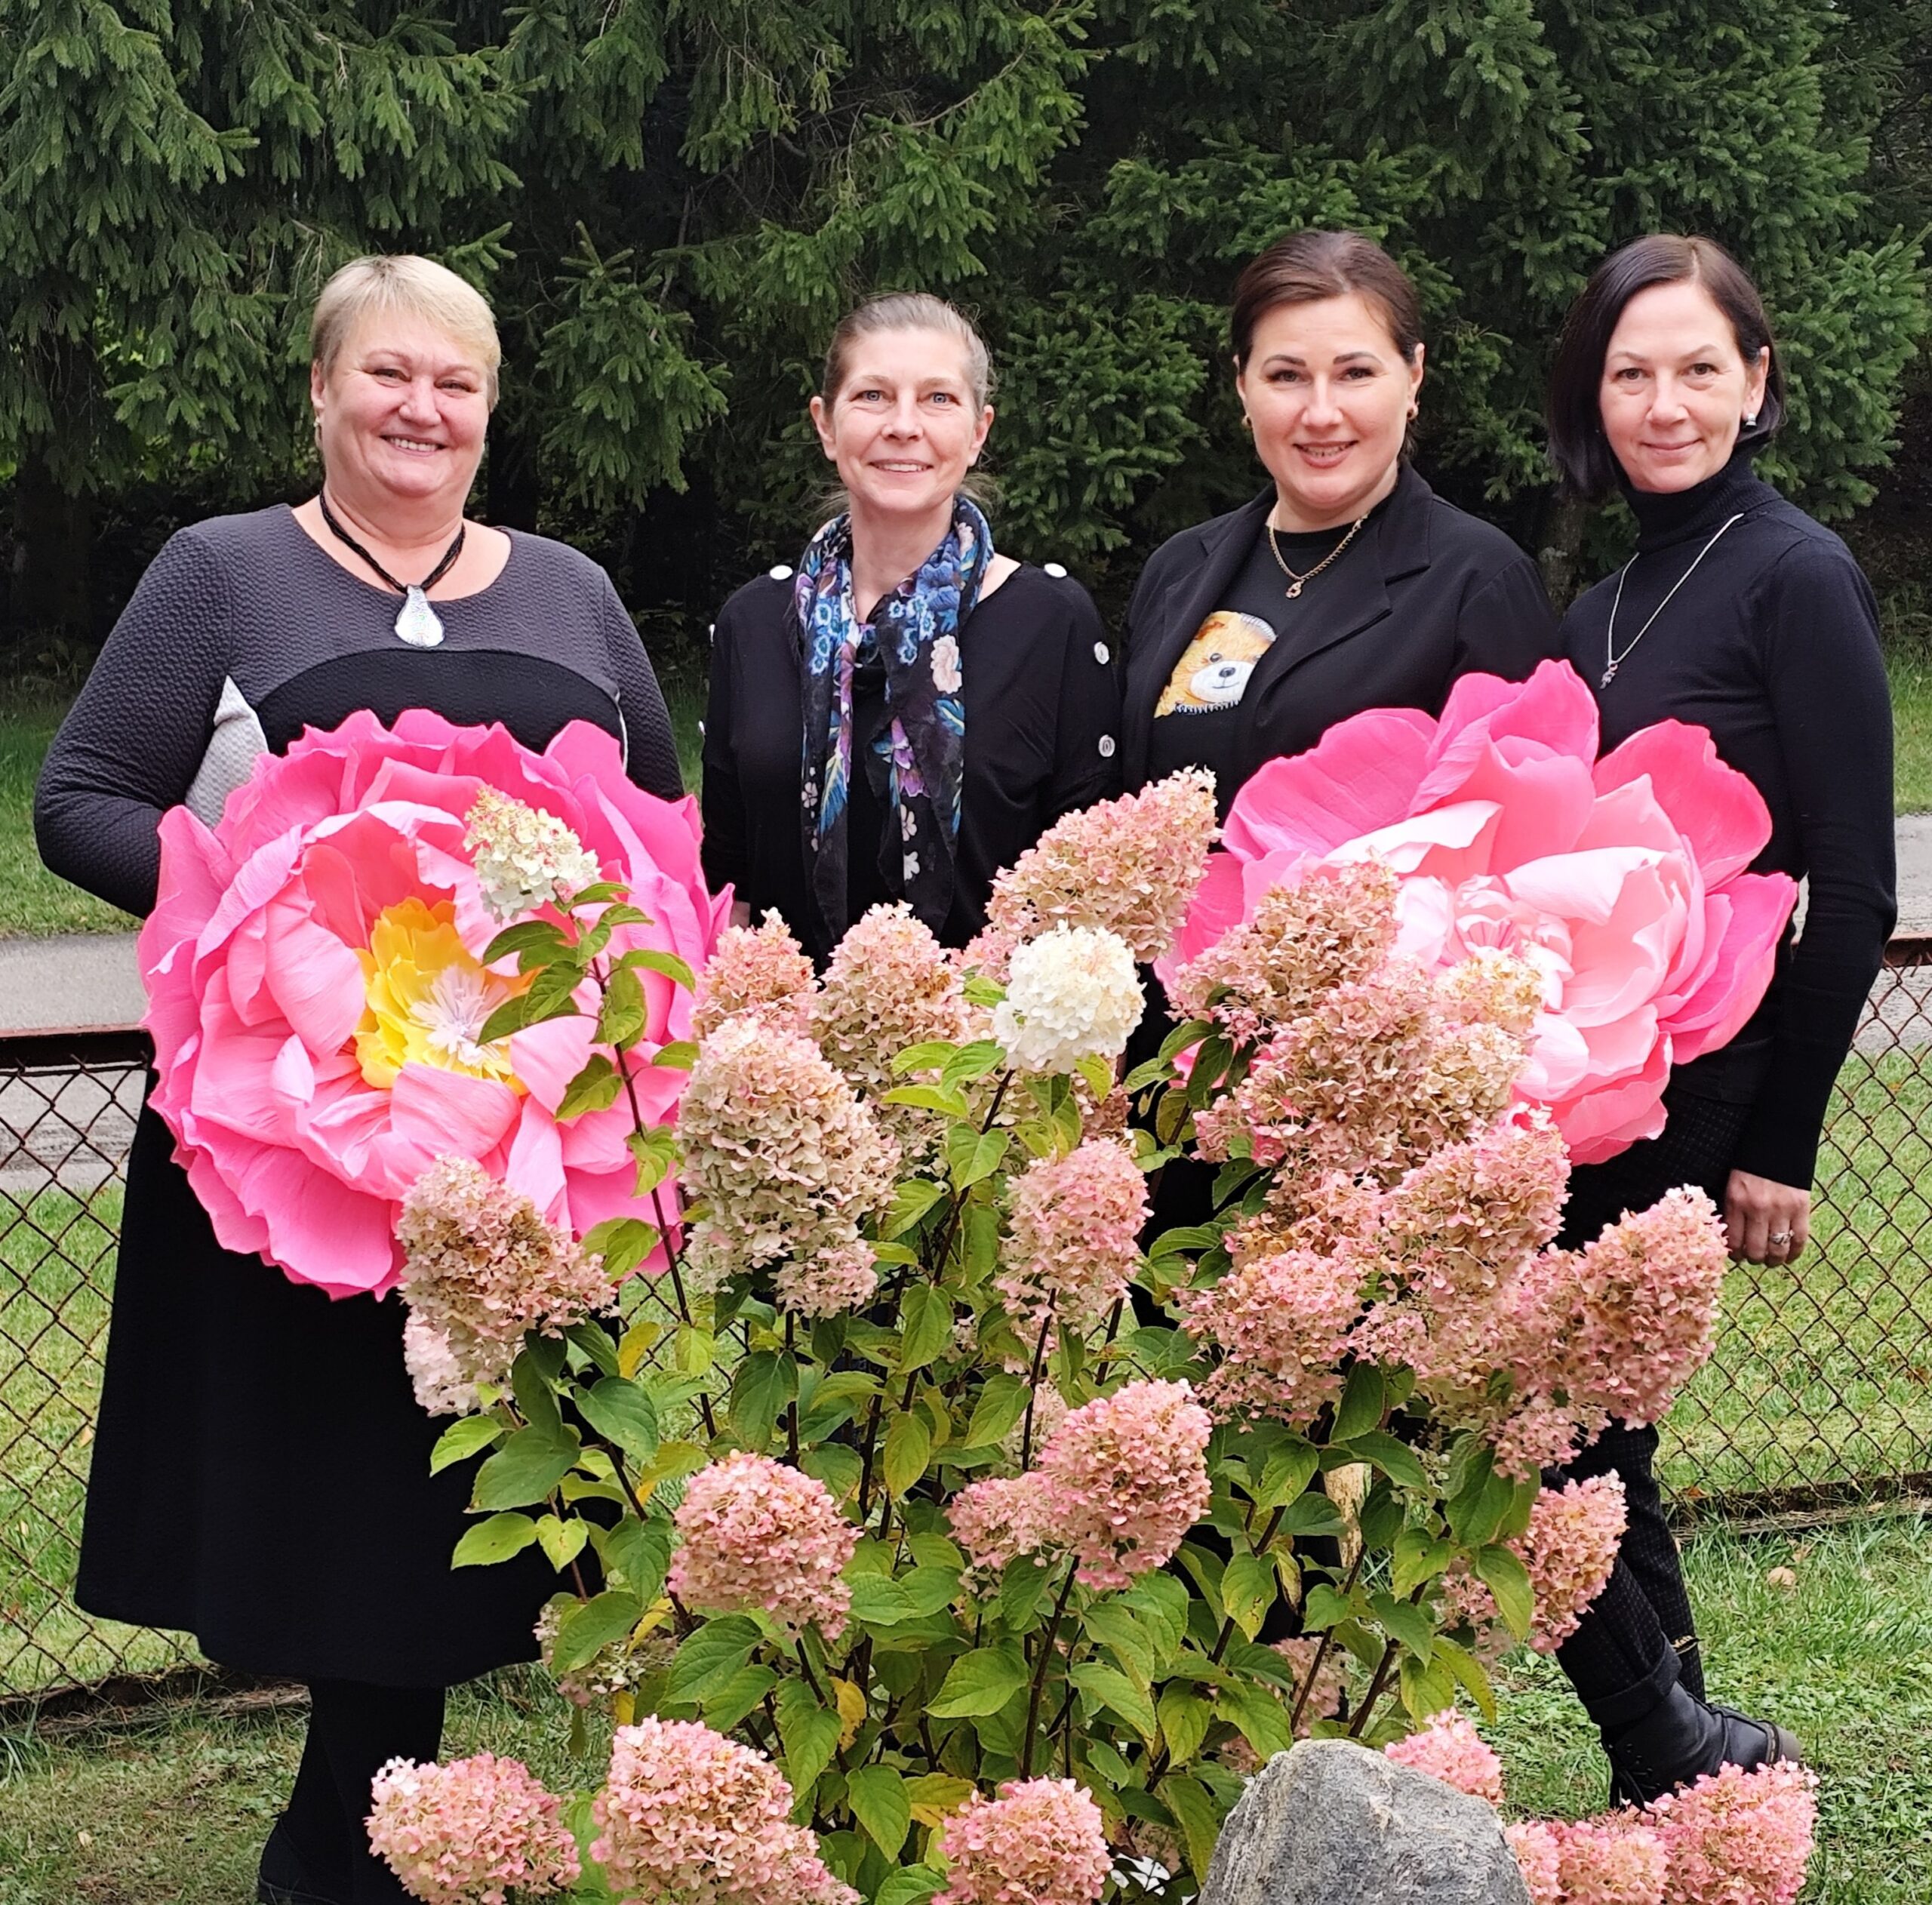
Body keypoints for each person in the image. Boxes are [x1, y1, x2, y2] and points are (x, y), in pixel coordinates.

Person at [36, 256, 684, 1905]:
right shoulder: (221, 574)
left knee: (479, 1487)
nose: (421, 409)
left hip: (515, 1147)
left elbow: (660, 838)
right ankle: (352, 1846)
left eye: (455, 382)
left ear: (489, 408)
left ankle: (372, 1834)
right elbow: (83, 794)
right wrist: (255, 904)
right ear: (320, 390)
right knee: (336, 1506)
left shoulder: (571, 594)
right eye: (386, 375)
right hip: (303, 1143)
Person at [1545, 233, 1895, 1802]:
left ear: (1754, 383)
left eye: (1697, 367)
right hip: (1577, 1082)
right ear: (1591, 393)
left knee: (1557, 1423)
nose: (1663, 400)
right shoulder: (1595, 603)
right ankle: (1681, 1762)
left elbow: (1852, 885)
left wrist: (1782, 1141)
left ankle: (1674, 1750)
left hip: (1704, 1088)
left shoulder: (1795, 570)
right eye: (1631, 370)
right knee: (1595, 1432)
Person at [701, 293, 1121, 963]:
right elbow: (730, 890)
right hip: (788, 1047)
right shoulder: (754, 623)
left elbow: (1089, 898)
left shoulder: (1050, 622)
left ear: (979, 431)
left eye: (938, 399)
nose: (903, 425)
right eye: (872, 395)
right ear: (826, 424)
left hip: (986, 1054)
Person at [1120, 229, 1557, 810]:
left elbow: (1519, 831)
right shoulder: (1177, 569)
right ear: (1242, 387)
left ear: (1413, 378)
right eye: (1286, 376)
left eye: (1355, 374)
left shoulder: (1478, 584)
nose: (1321, 413)